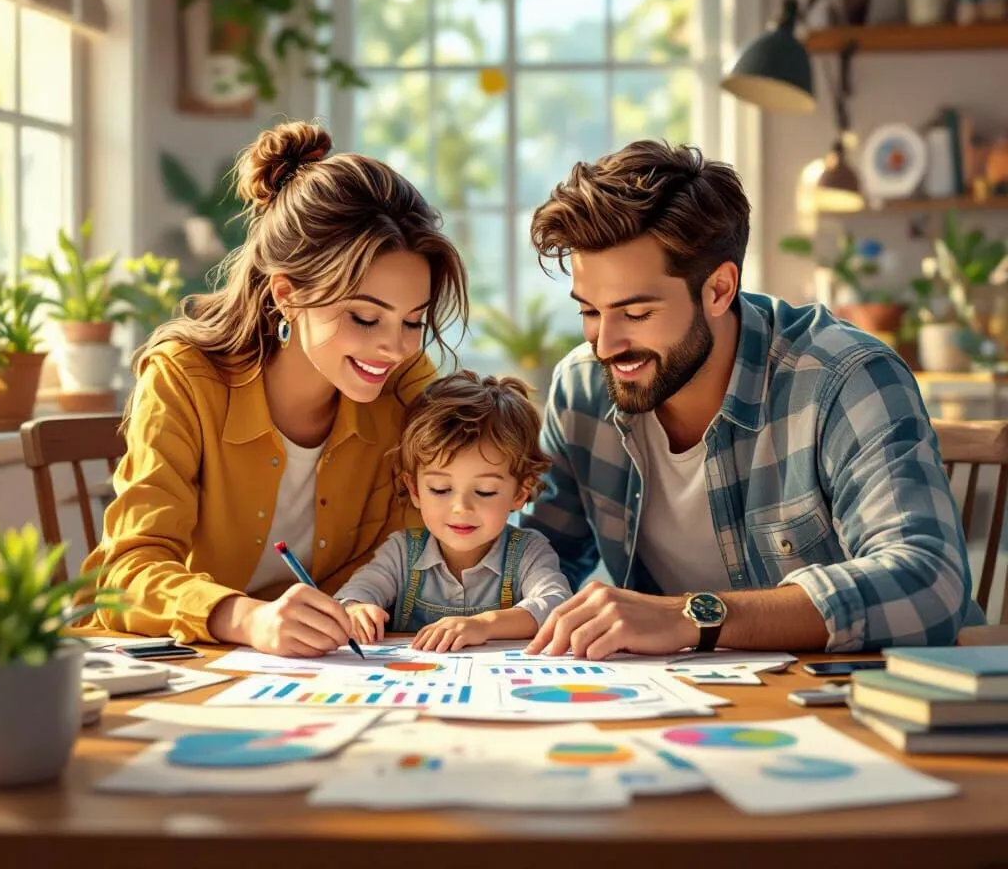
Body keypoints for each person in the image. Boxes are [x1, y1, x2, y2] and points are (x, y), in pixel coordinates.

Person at [517, 139, 981, 661]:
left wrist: (691, 617)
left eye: (637, 313)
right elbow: (539, 563)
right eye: (590, 312)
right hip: (691, 698)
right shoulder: (582, 389)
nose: (605, 345)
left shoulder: (844, 378)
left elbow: (928, 584)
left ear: (718, 290)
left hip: (873, 698)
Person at [80, 121, 469, 657]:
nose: (397, 349)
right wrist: (248, 619)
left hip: (336, 673)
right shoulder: (185, 378)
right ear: (286, 293)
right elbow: (122, 576)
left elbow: (413, 554)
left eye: (412, 321)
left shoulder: (405, 387)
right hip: (196, 670)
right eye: (364, 317)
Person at [334, 370, 572, 652]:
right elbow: (353, 595)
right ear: (414, 489)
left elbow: (557, 604)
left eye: (485, 491)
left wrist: (484, 625)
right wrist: (356, 608)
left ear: (520, 493)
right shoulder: (400, 553)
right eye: (440, 489)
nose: (461, 508)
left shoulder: (528, 553)